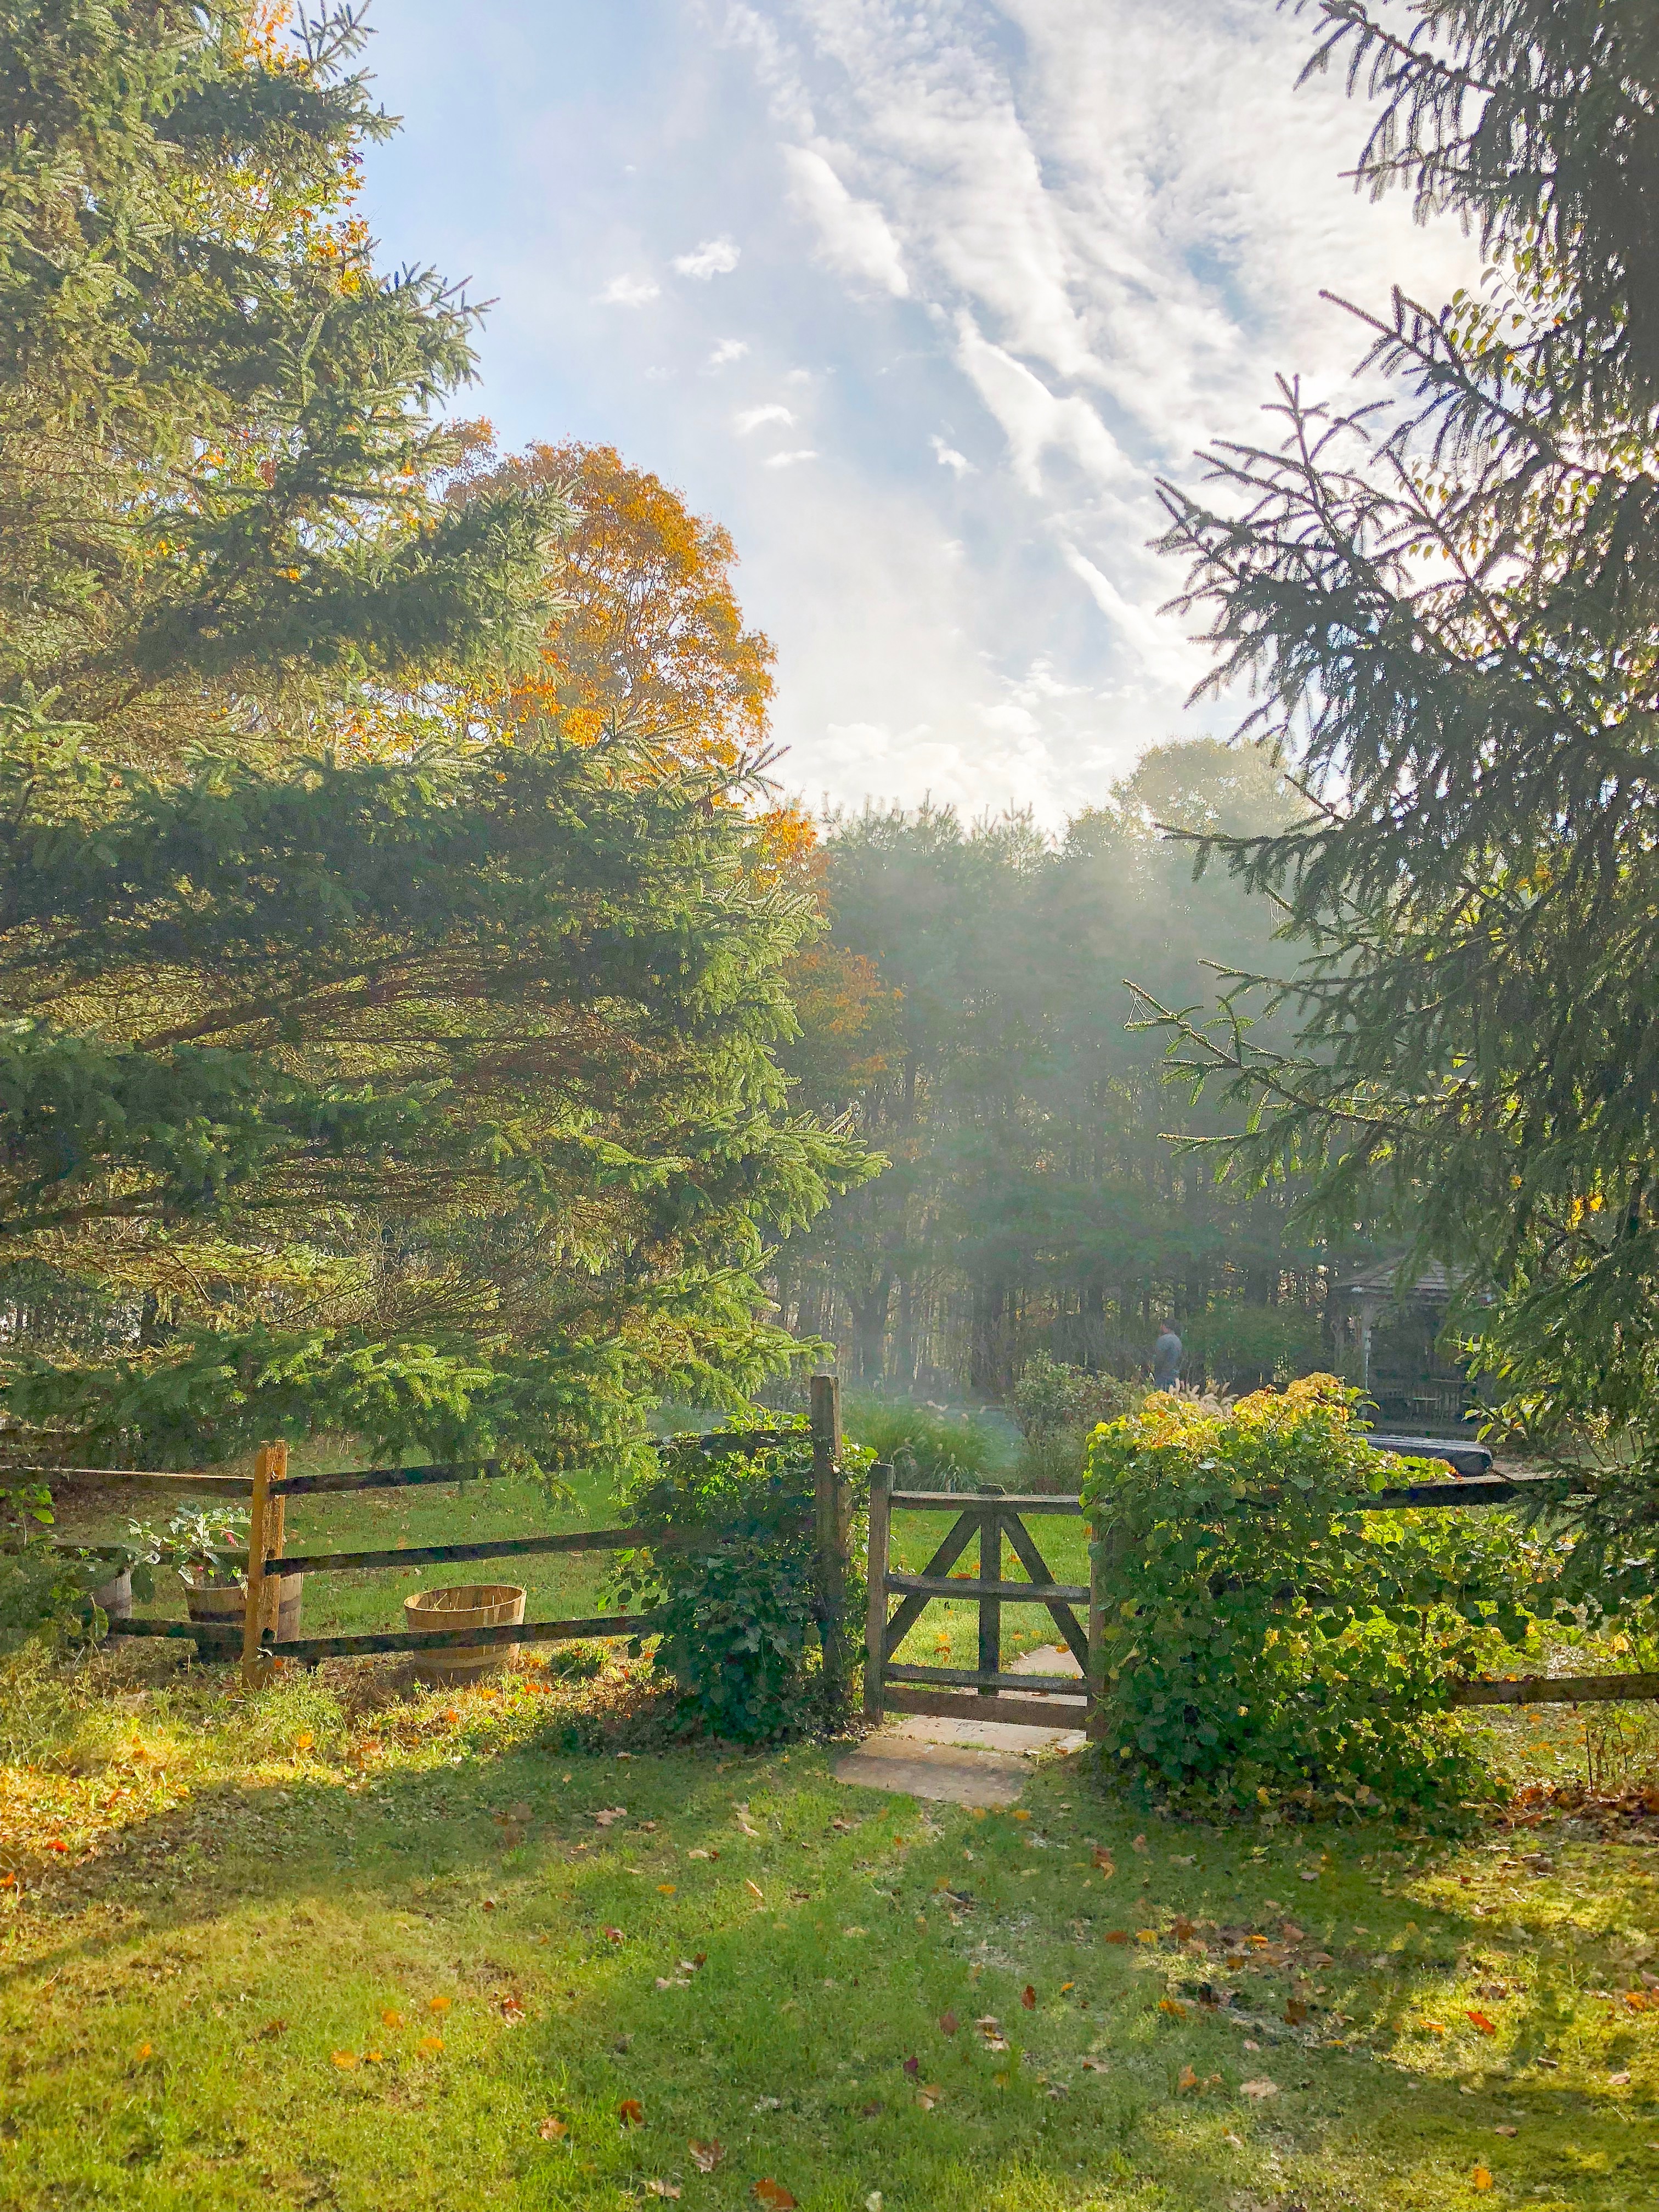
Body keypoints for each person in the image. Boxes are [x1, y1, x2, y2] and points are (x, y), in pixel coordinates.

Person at [1152, 1324, 1182, 1391]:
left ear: (1164, 1327)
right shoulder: (1178, 1341)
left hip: (1163, 1376)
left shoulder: (1163, 1340)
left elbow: (1159, 1358)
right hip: (1175, 1376)